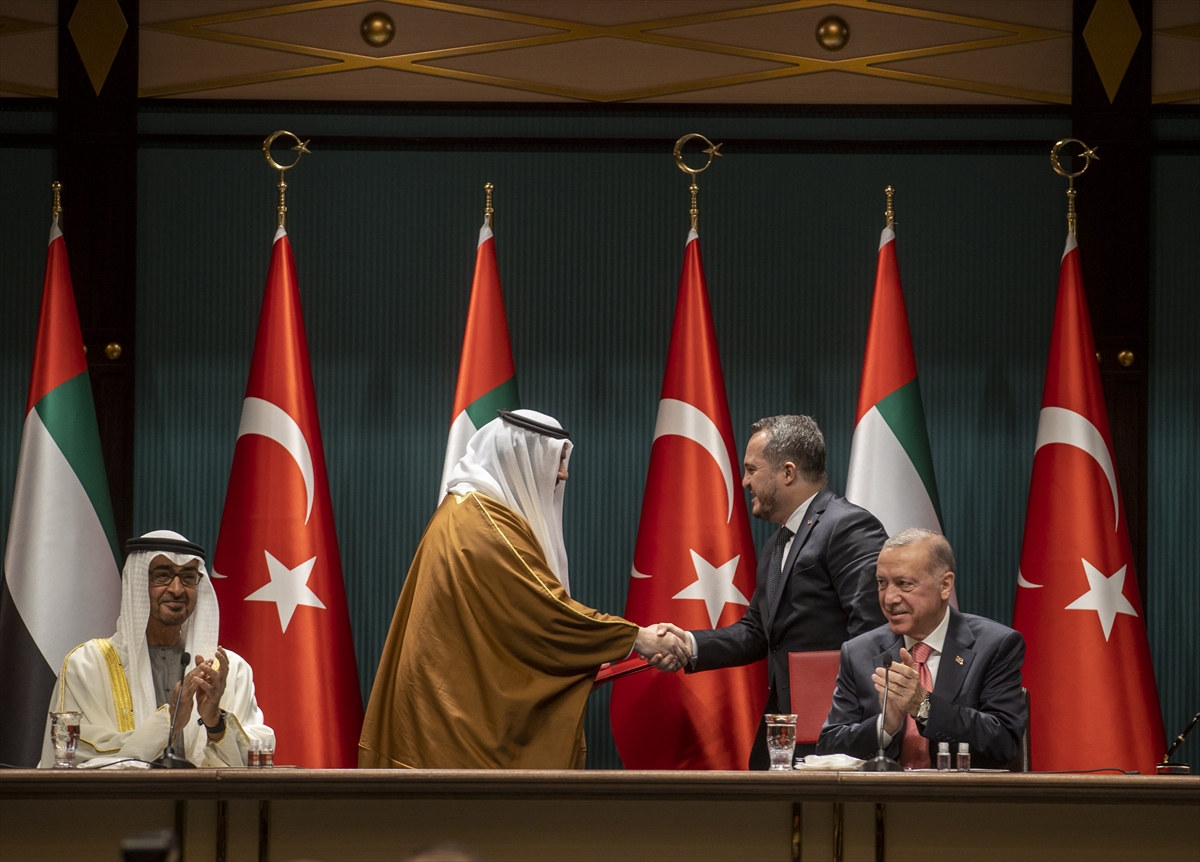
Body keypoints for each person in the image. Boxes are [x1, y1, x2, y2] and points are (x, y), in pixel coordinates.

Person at [359, 409, 687, 769]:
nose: (564, 474)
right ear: (520, 456)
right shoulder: (483, 525)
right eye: (556, 460)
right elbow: (547, 613)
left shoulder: (469, 511)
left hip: (452, 709)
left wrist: (592, 653)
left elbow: (507, 633)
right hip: (455, 729)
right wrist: (637, 638)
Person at [655, 414, 887, 768]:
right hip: (785, 730)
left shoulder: (848, 526)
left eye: (752, 469)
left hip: (835, 729)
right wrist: (688, 644)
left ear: (788, 472)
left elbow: (871, 632)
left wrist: (853, 722)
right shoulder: (777, 544)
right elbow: (756, 633)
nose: (745, 481)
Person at [39, 531, 274, 767]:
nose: (177, 589)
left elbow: (257, 761)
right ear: (139, 583)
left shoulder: (228, 671)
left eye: (188, 577)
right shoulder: (88, 665)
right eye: (162, 576)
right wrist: (169, 722)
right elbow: (73, 757)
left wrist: (215, 723)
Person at [817, 528, 1027, 769]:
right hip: (881, 792)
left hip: (961, 791)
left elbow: (1004, 742)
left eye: (904, 584)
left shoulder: (995, 645)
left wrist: (923, 705)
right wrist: (884, 727)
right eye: (882, 583)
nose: (889, 598)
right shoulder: (859, 652)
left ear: (945, 585)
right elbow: (829, 748)